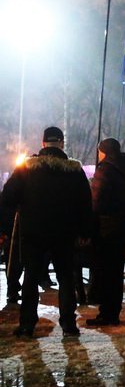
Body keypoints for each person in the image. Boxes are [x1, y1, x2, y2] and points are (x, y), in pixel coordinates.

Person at [0, 126, 92, 337]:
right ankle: (69, 324)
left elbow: (8, 198)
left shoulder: (26, 168)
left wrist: (5, 228)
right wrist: (85, 231)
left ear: (43, 144)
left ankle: (26, 325)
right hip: (64, 235)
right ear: (61, 143)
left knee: (31, 278)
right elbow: (85, 204)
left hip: (34, 233)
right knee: (66, 278)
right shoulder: (75, 171)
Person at [86, 138, 125, 327]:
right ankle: (113, 312)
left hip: (106, 229)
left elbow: (96, 201)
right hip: (122, 227)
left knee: (105, 272)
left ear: (104, 151)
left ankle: (106, 313)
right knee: (116, 274)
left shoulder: (105, 169)